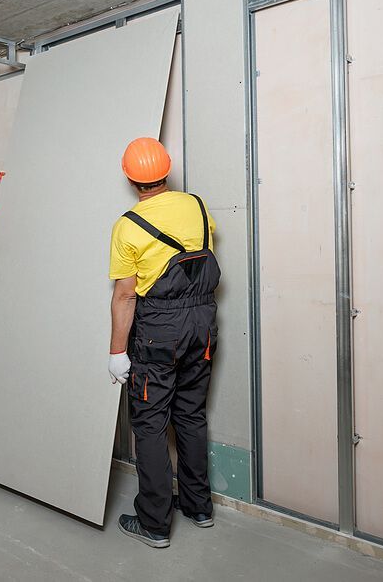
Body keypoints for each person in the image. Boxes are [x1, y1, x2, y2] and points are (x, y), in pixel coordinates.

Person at [107, 137, 220, 548]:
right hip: (203, 324)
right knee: (190, 414)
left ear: (131, 178)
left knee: (151, 424)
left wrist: (117, 352)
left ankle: (154, 522)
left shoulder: (128, 225)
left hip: (160, 330)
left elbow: (125, 295)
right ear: (166, 170)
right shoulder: (197, 205)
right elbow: (202, 248)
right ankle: (198, 506)